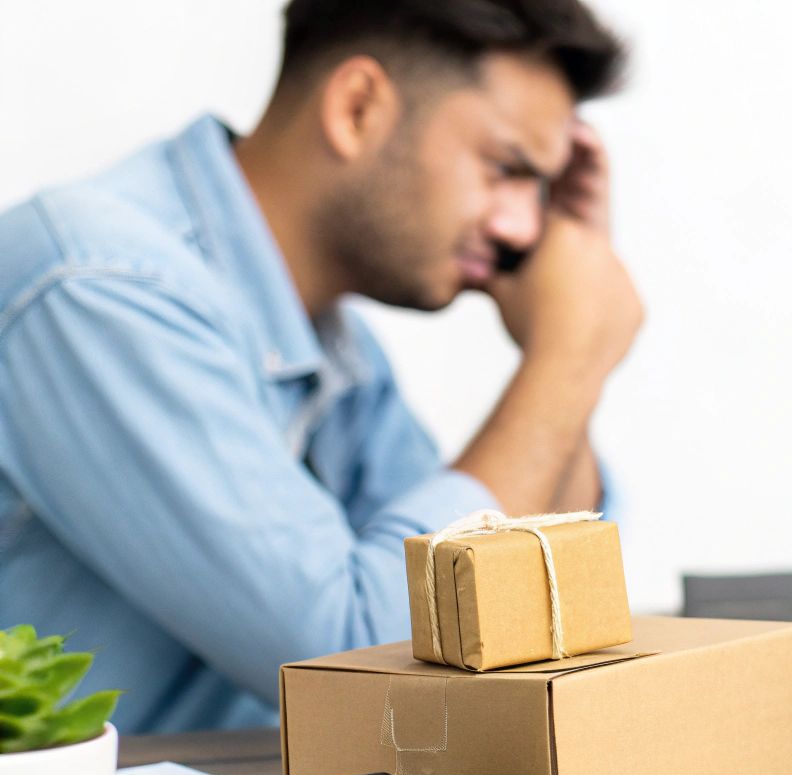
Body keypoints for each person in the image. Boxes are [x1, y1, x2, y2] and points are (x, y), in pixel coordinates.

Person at [0, 0, 643, 733]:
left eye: (543, 193)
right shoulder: (97, 289)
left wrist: (572, 338)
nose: (523, 230)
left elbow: (528, 606)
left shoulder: (338, 349)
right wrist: (568, 352)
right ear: (356, 108)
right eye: (506, 169)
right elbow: (364, 666)